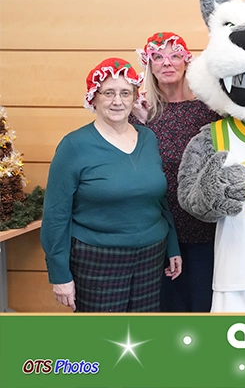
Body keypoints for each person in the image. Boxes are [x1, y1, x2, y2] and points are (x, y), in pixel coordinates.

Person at [41, 58, 181, 312]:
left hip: (151, 256)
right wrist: (59, 274)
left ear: (134, 98)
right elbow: (55, 215)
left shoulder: (148, 138)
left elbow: (159, 198)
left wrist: (172, 246)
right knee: (102, 334)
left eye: (125, 93)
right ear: (94, 98)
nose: (118, 101)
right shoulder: (74, 146)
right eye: (108, 93)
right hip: (96, 260)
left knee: (143, 333)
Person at [131, 32, 222, 312]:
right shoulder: (140, 112)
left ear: (186, 61)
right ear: (149, 65)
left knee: (205, 305)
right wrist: (140, 123)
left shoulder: (210, 110)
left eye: (174, 55)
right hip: (159, 227)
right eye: (158, 57)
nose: (167, 63)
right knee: (167, 309)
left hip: (205, 226)